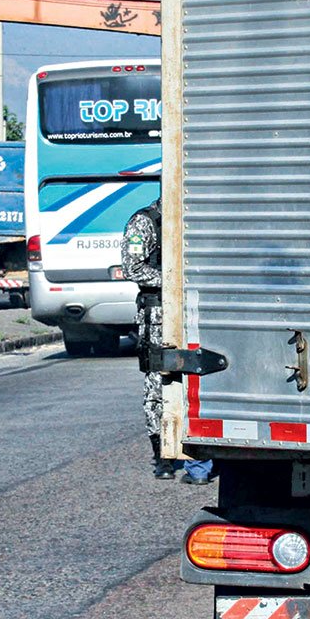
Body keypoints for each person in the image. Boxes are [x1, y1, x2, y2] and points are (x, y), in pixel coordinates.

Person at [121, 197, 212, 484]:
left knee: (199, 380)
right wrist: (173, 279)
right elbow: (132, 268)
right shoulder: (145, 222)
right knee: (159, 384)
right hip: (160, 315)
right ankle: (163, 456)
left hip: (195, 311)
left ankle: (198, 457)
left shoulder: (196, 219)